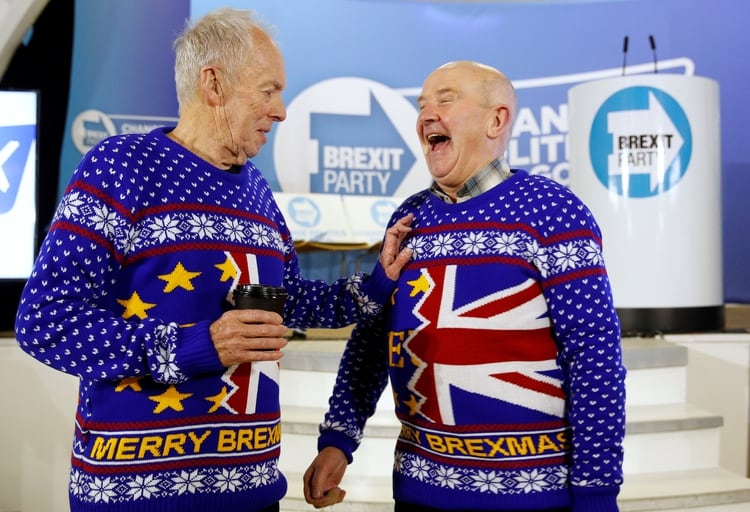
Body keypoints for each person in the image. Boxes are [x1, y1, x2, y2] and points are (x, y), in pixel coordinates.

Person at [13, 7, 412, 512]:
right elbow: (44, 320)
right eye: (268, 90)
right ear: (214, 84)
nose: (282, 110)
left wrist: (377, 285)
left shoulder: (259, 192)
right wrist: (192, 348)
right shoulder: (120, 167)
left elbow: (288, 305)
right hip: (140, 497)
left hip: (253, 490)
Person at [303, 60, 627, 512]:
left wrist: (596, 494)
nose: (426, 114)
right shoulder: (410, 218)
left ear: (497, 119)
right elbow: (374, 339)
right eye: (422, 104)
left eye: (446, 99)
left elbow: (595, 357)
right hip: (418, 493)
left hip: (533, 501)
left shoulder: (555, 213)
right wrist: (339, 438)